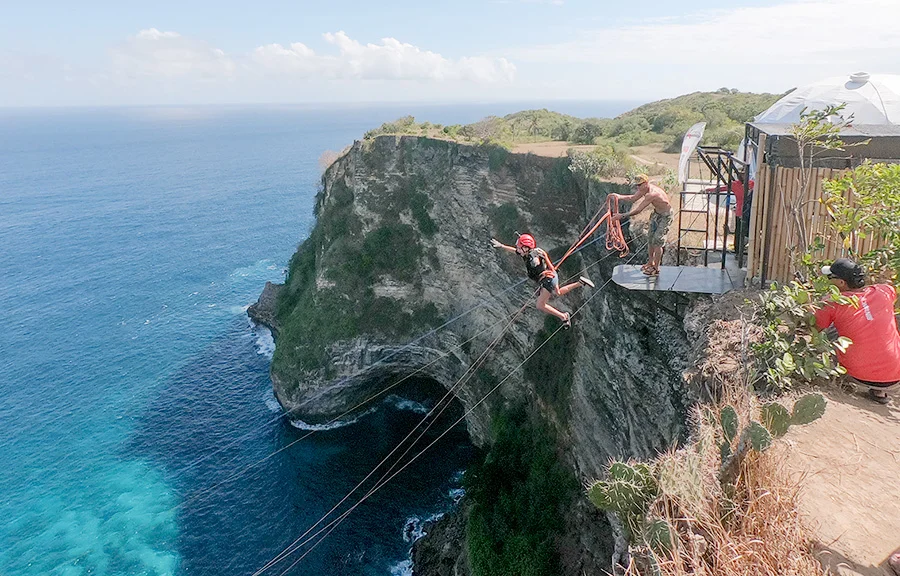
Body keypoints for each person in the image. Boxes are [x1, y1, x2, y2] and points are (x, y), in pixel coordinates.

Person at [814, 258, 900, 404]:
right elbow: (891, 291)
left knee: (832, 330)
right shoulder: (883, 291)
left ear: (841, 282)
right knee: (886, 324)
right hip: (895, 378)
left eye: (831, 278)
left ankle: (839, 376)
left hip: (857, 377)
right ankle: (879, 391)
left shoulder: (832, 301)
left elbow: (816, 328)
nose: (829, 281)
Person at [491, 233, 594, 328]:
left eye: (519, 248)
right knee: (558, 292)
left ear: (526, 248)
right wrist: (502, 246)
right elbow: (515, 251)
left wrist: (541, 264)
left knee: (540, 305)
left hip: (547, 280)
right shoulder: (527, 254)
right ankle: (580, 283)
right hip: (551, 276)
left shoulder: (533, 257)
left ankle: (564, 316)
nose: (518, 250)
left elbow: (537, 260)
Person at [610, 174, 672, 277]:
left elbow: (638, 210)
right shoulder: (644, 189)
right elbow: (633, 198)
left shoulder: (652, 194)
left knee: (657, 241)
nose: (638, 187)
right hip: (656, 214)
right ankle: (650, 262)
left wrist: (621, 216)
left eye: (639, 185)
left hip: (665, 216)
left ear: (646, 183)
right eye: (637, 185)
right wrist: (619, 196)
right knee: (650, 238)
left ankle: (656, 268)